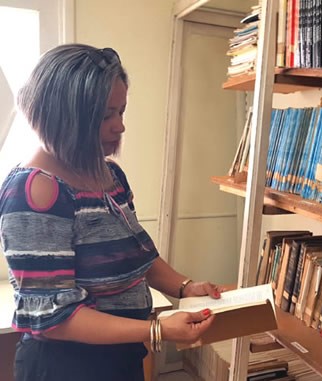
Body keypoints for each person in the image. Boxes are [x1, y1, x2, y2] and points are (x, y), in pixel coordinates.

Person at [0, 44, 222, 381]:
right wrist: (157, 330)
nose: (119, 127)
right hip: (66, 367)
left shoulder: (110, 175)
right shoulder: (34, 193)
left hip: (120, 356)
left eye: (122, 111)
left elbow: (139, 257)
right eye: (105, 116)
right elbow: (55, 317)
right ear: (63, 116)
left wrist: (185, 287)